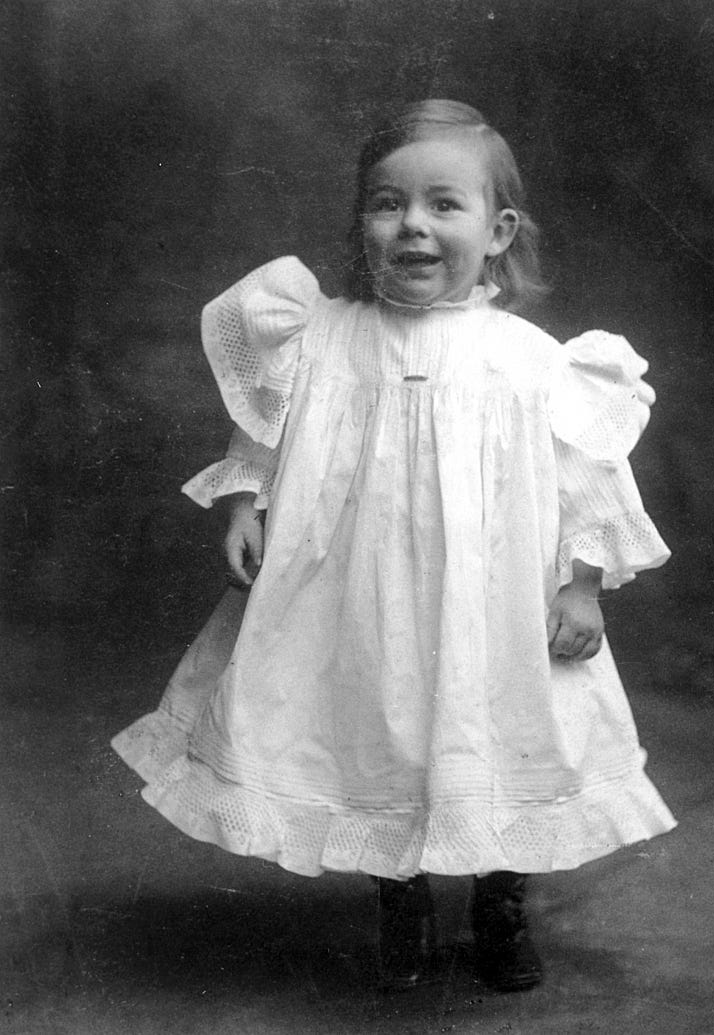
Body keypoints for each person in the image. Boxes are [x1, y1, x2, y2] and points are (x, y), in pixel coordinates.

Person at [112, 99, 676, 994]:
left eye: (443, 206)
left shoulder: (529, 359)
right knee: (374, 728)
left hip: (491, 598)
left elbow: (589, 478)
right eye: (388, 203)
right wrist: (248, 502)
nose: (413, 224)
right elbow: (267, 428)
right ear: (363, 223)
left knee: (506, 732)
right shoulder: (322, 336)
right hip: (356, 592)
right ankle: (400, 894)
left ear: (497, 232)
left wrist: (584, 585)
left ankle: (500, 899)